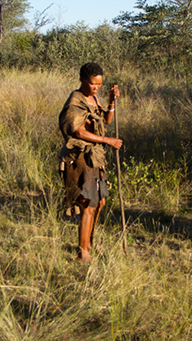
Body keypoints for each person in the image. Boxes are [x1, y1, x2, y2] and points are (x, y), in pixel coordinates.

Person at [58, 62, 122, 263]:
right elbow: (78, 131)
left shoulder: (93, 98)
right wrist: (107, 140)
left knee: (100, 202)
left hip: (95, 157)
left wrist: (111, 102)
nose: (96, 88)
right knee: (88, 203)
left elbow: (107, 121)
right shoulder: (75, 101)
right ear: (82, 80)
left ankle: (89, 244)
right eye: (93, 84)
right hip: (80, 158)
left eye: (99, 85)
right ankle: (82, 253)